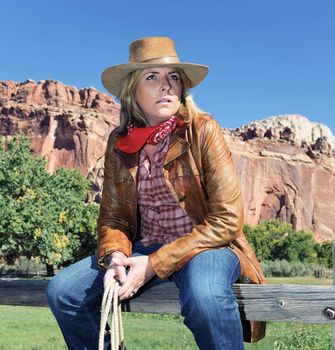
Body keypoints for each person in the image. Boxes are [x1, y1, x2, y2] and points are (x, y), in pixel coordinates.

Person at [46, 36, 266, 350]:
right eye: (152, 77)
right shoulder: (119, 142)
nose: (166, 86)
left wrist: (152, 265)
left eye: (173, 77)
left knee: (205, 296)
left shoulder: (203, 130)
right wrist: (117, 258)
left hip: (206, 246)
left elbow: (227, 221)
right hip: (143, 248)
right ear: (133, 89)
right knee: (63, 291)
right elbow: (113, 218)